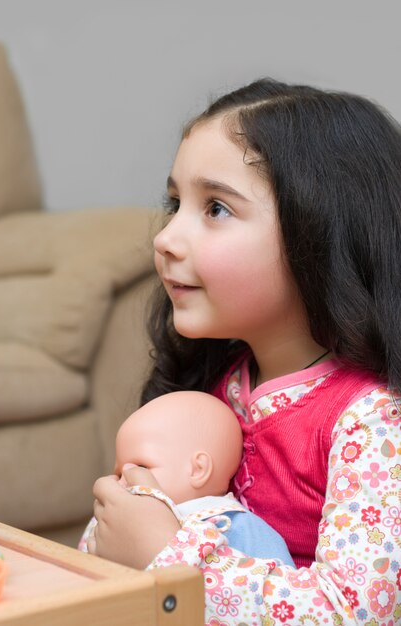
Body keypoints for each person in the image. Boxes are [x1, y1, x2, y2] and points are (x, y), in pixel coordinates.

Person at [88, 78, 401, 624]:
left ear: (320, 232)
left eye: (215, 208)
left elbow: (354, 613)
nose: (165, 238)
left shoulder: (372, 420)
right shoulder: (220, 383)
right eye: (175, 203)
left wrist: (170, 558)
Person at [82, 390, 295, 566]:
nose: (122, 482)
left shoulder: (235, 526)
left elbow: (279, 591)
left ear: (198, 470)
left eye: (141, 466)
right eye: (119, 473)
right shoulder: (120, 513)